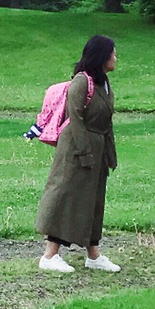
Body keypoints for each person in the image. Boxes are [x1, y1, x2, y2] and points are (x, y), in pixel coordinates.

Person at [36, 35, 120, 274]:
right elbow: (76, 120)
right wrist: (84, 152)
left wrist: (109, 153)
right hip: (75, 148)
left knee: (93, 200)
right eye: (113, 53)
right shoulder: (82, 82)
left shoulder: (104, 84)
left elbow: (107, 122)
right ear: (102, 56)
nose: (116, 58)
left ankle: (94, 254)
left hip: (97, 147)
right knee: (66, 195)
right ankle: (50, 254)